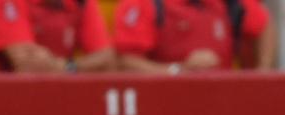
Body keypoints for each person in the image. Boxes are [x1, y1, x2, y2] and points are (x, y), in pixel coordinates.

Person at [113, 0, 276, 72]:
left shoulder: (228, 2)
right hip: (165, 102)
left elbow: (263, 23)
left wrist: (263, 68)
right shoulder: (145, 3)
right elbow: (126, 62)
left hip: (222, 100)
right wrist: (179, 69)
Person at [0, 0, 117, 72]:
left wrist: (67, 67)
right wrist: (76, 67)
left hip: (46, 101)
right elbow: (30, 65)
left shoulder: (80, 2)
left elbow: (107, 59)